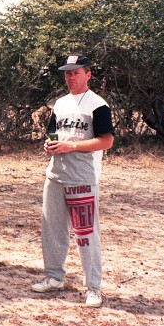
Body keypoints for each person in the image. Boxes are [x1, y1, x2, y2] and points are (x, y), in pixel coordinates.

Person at [30, 55, 114, 308]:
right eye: (67, 73)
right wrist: (50, 145)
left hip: (82, 177)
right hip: (55, 175)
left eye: (76, 72)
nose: (71, 77)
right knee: (52, 230)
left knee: (85, 233)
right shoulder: (60, 103)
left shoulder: (97, 104)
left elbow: (106, 141)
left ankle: (93, 287)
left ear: (88, 74)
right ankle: (54, 277)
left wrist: (72, 146)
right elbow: (53, 135)